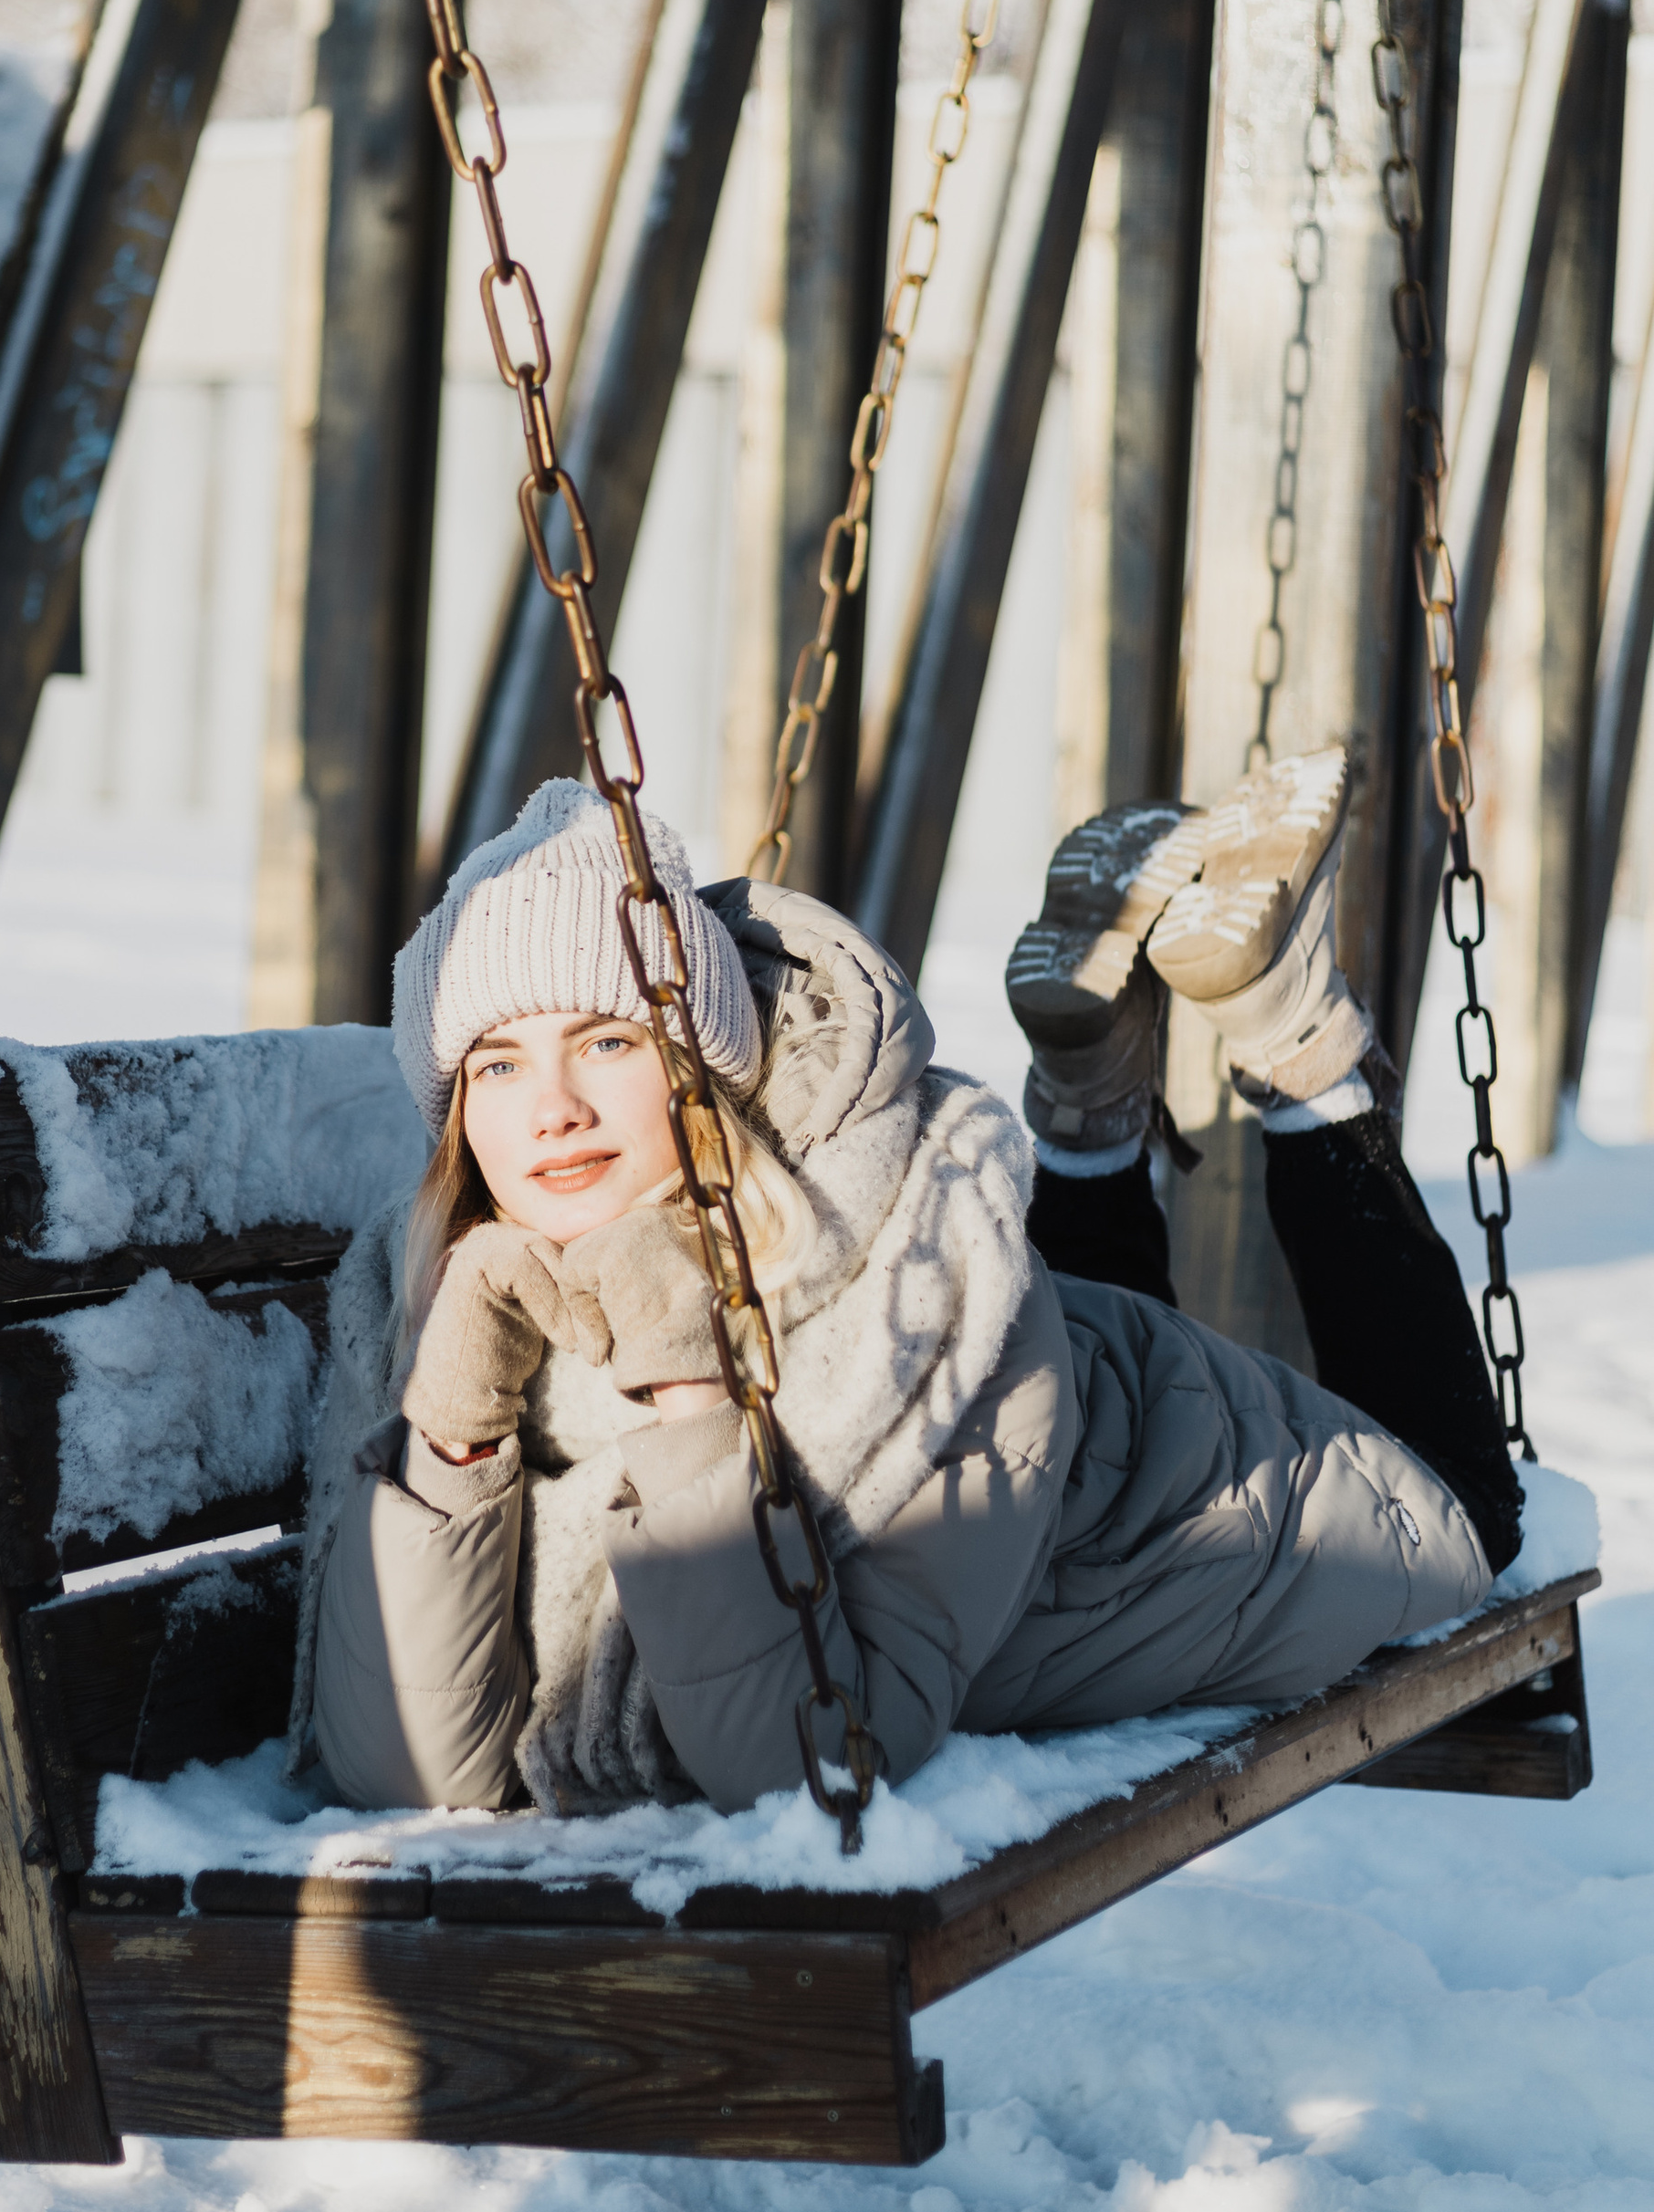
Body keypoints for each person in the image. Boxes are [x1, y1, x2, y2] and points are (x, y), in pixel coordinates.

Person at [290, 748, 1526, 1821]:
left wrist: (685, 1393)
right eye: (496, 1065)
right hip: (1080, 1440)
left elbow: (806, 1767)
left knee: (1477, 1512)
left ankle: (1290, 1029)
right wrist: (452, 1423)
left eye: (609, 1042)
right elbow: (405, 1772)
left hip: (1298, 1528)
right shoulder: (435, 1291)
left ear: (703, 1063)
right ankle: (1091, 1095)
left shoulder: (923, 1277)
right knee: (1062, 1344)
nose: (550, 1112)